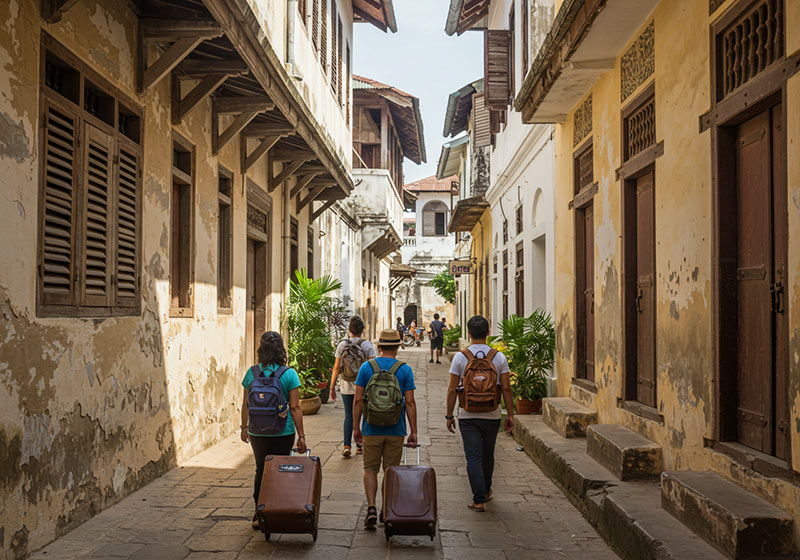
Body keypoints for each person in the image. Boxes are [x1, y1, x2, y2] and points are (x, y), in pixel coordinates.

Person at [445, 316, 514, 512]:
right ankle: (486, 490)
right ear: (488, 332)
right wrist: (510, 414)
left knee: (473, 456)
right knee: (488, 454)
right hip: (492, 413)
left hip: (467, 414)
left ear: (468, 333)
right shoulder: (498, 357)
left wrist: (449, 415)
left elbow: (452, 389)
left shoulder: (461, 357)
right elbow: (507, 388)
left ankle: (478, 499)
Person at [241, 331, 307, 529]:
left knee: (261, 468)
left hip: (257, 431)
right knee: (278, 469)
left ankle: (258, 513)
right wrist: (301, 435)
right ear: (281, 350)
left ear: (261, 350)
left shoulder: (251, 373)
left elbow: (245, 404)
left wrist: (244, 428)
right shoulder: (289, 374)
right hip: (283, 431)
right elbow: (295, 407)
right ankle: (278, 509)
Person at [353, 329, 418, 531]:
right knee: (390, 471)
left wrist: (356, 427)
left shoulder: (366, 367)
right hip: (395, 429)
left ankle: (371, 508)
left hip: (371, 428)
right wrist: (413, 431)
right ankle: (385, 510)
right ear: (397, 347)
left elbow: (357, 400)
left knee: (370, 469)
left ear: (379, 347)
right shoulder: (405, 370)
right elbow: (410, 402)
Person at [330, 316, 376, 457]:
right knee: (362, 415)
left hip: (346, 384)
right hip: (363, 386)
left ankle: (346, 445)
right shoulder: (367, 346)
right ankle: (360, 446)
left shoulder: (342, 345)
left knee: (349, 415)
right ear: (362, 330)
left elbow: (337, 368)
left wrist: (332, 387)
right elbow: (372, 368)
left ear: (349, 330)